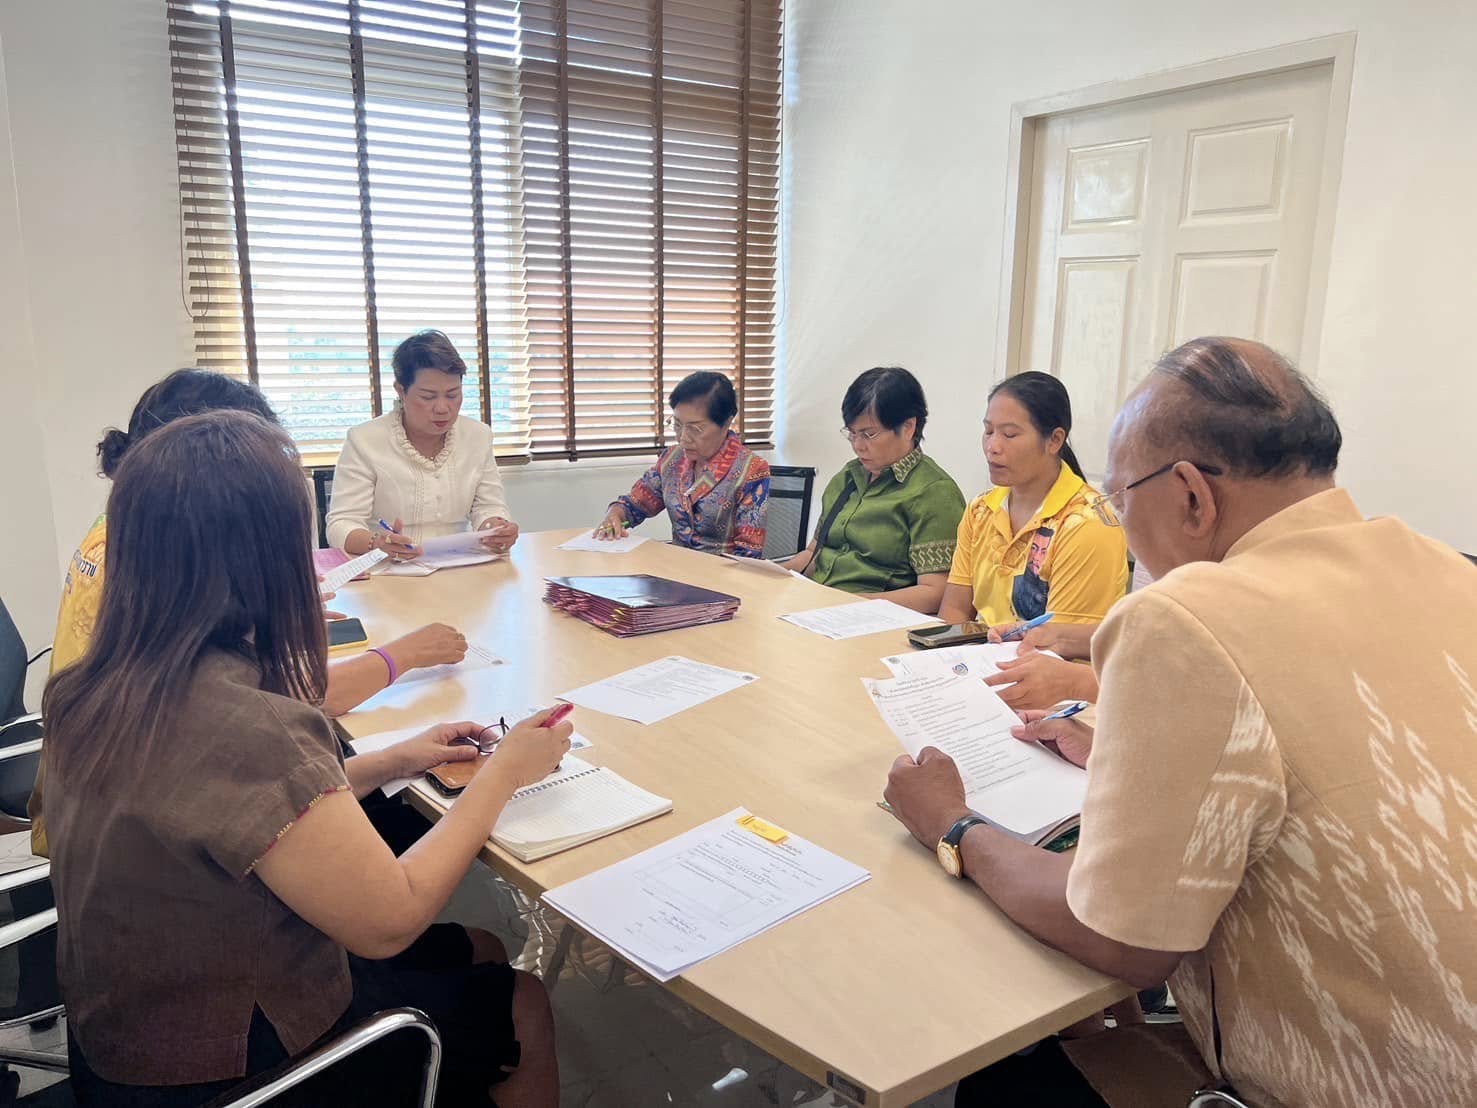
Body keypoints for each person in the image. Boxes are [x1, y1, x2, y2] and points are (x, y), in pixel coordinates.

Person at [883, 337, 1477, 1107]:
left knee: (1006, 1069)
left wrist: (952, 824)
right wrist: (1117, 756)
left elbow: (1121, 940)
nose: (1120, 526)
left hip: (1354, 1082)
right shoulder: (1443, 567)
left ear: (1191, 496)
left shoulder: (1184, 616)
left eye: (1120, 500)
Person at [43, 410, 568, 1106]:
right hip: (231, 1064)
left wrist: (390, 760)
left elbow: (230, 812)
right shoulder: (251, 725)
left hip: (122, 1037)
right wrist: (503, 773)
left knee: (479, 949)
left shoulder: (96, 685)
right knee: (521, 1001)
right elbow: (390, 919)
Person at [36, 370, 478, 858]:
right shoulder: (154, 575)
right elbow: (288, 697)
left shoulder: (129, 536)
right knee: (406, 820)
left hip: (106, 798)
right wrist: (402, 656)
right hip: (146, 824)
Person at [784, 367, 965, 614]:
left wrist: (854, 604)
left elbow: (935, 592)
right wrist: (775, 575)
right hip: (820, 609)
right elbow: (814, 554)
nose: (858, 446)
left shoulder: (933, 492)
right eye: (852, 433)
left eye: (869, 434)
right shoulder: (847, 477)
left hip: (873, 621)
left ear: (909, 427)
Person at [327, 330, 519, 560]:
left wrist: (495, 530)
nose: (442, 408)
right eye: (428, 397)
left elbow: (489, 507)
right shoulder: (365, 440)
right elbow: (341, 524)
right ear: (401, 391)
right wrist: (377, 543)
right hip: (390, 572)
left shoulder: (478, 436)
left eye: (452, 394)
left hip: (460, 565)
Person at [595, 371, 771, 556]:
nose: (683, 438)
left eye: (696, 429)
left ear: (726, 423)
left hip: (722, 578)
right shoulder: (672, 459)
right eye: (677, 425)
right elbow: (633, 505)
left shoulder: (751, 470)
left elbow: (749, 554)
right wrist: (614, 515)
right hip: (675, 570)